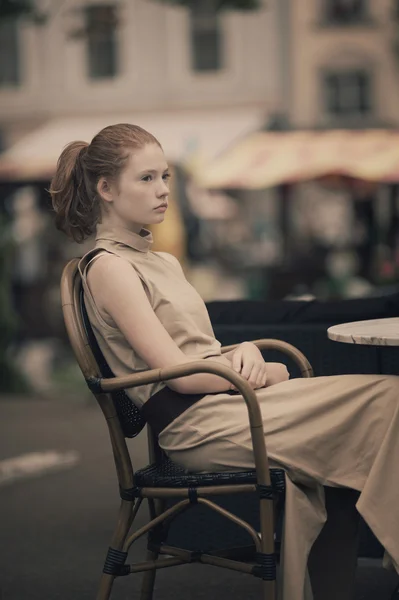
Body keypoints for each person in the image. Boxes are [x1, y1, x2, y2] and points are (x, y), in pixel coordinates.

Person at [50, 124, 399, 600]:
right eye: (147, 178)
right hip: (202, 426)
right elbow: (182, 374)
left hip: (234, 406)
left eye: (166, 176)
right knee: (388, 399)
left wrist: (248, 354)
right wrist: (250, 370)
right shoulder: (110, 267)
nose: (164, 190)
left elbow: (201, 356)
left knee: (364, 435)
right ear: (106, 189)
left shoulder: (165, 262)